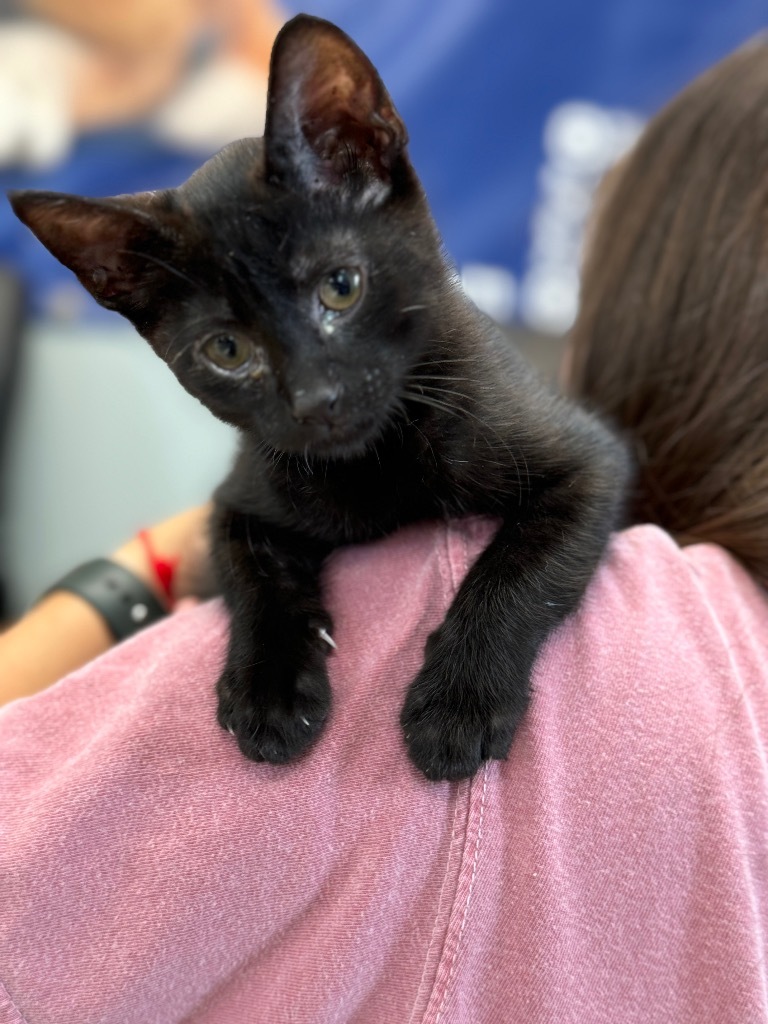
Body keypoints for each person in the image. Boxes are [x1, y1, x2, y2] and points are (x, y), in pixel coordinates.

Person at [1, 38, 767, 1024]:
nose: (313, 393)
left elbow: (581, 474)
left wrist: (476, 653)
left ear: (369, 157)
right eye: (229, 352)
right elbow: (241, 525)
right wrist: (265, 630)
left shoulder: (463, 460)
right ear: (137, 305)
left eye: (338, 291)